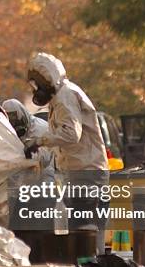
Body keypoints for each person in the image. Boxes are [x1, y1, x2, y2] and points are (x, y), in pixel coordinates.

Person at [25, 53, 109, 254]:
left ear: (45, 79)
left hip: (86, 174)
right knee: (89, 236)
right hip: (84, 173)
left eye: (36, 85)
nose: (35, 90)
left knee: (83, 235)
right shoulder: (63, 95)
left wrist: (39, 141)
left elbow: (71, 134)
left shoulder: (65, 96)